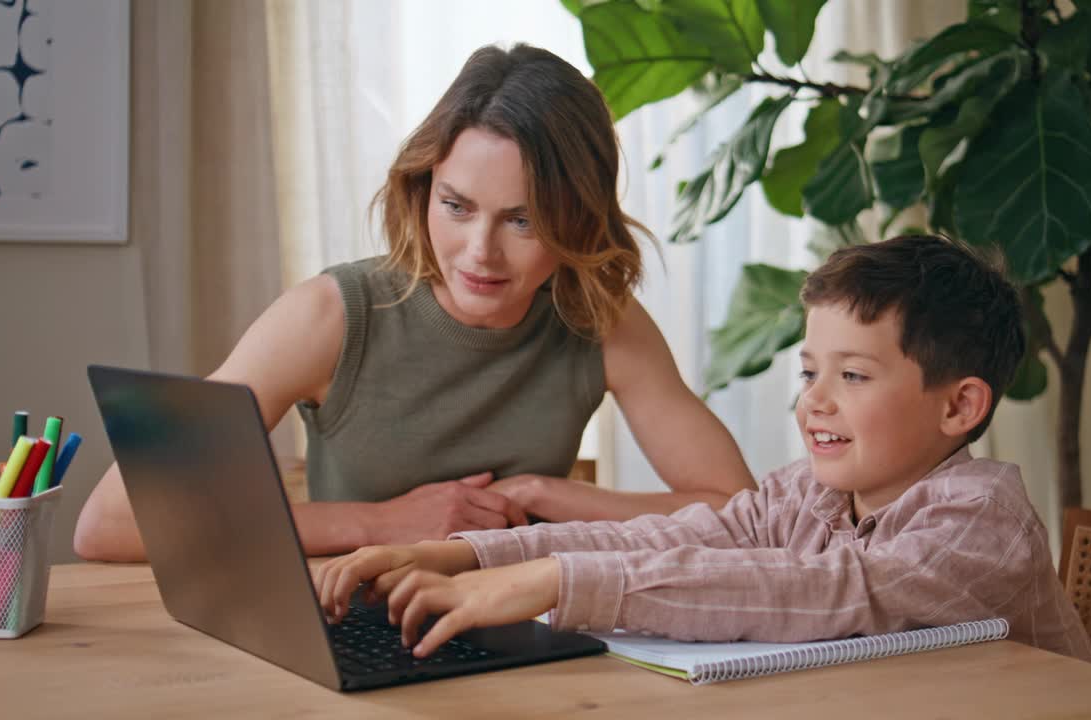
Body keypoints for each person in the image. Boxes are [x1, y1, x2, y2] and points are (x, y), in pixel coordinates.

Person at [73, 44, 755, 562]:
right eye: (456, 206)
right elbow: (111, 524)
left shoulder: (599, 319)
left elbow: (738, 512)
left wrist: (549, 497)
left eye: (522, 220)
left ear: (578, 218)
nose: (479, 252)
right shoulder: (331, 317)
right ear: (422, 187)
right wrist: (382, 523)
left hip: (527, 628)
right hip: (356, 621)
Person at [313, 234, 1091, 663]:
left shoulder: (978, 518)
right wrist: (471, 557)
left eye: (852, 375)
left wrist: (552, 581)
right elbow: (679, 535)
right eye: (810, 371)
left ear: (960, 405)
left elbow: (830, 592)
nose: (814, 400)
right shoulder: (810, 496)